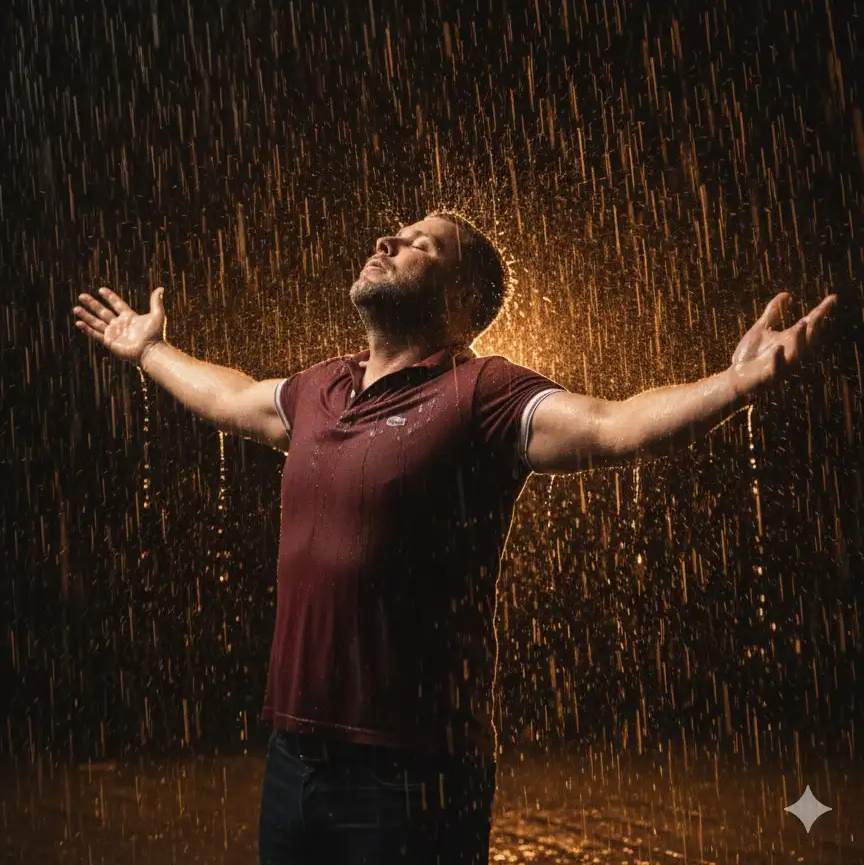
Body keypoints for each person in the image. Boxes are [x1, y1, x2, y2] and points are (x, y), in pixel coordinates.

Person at [73, 209, 837, 864]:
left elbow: (614, 426)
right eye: (398, 231)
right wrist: (147, 351)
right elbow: (231, 395)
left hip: (413, 775)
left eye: (421, 243)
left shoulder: (484, 396)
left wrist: (736, 385)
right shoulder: (320, 389)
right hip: (293, 759)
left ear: (461, 298)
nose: (390, 239)